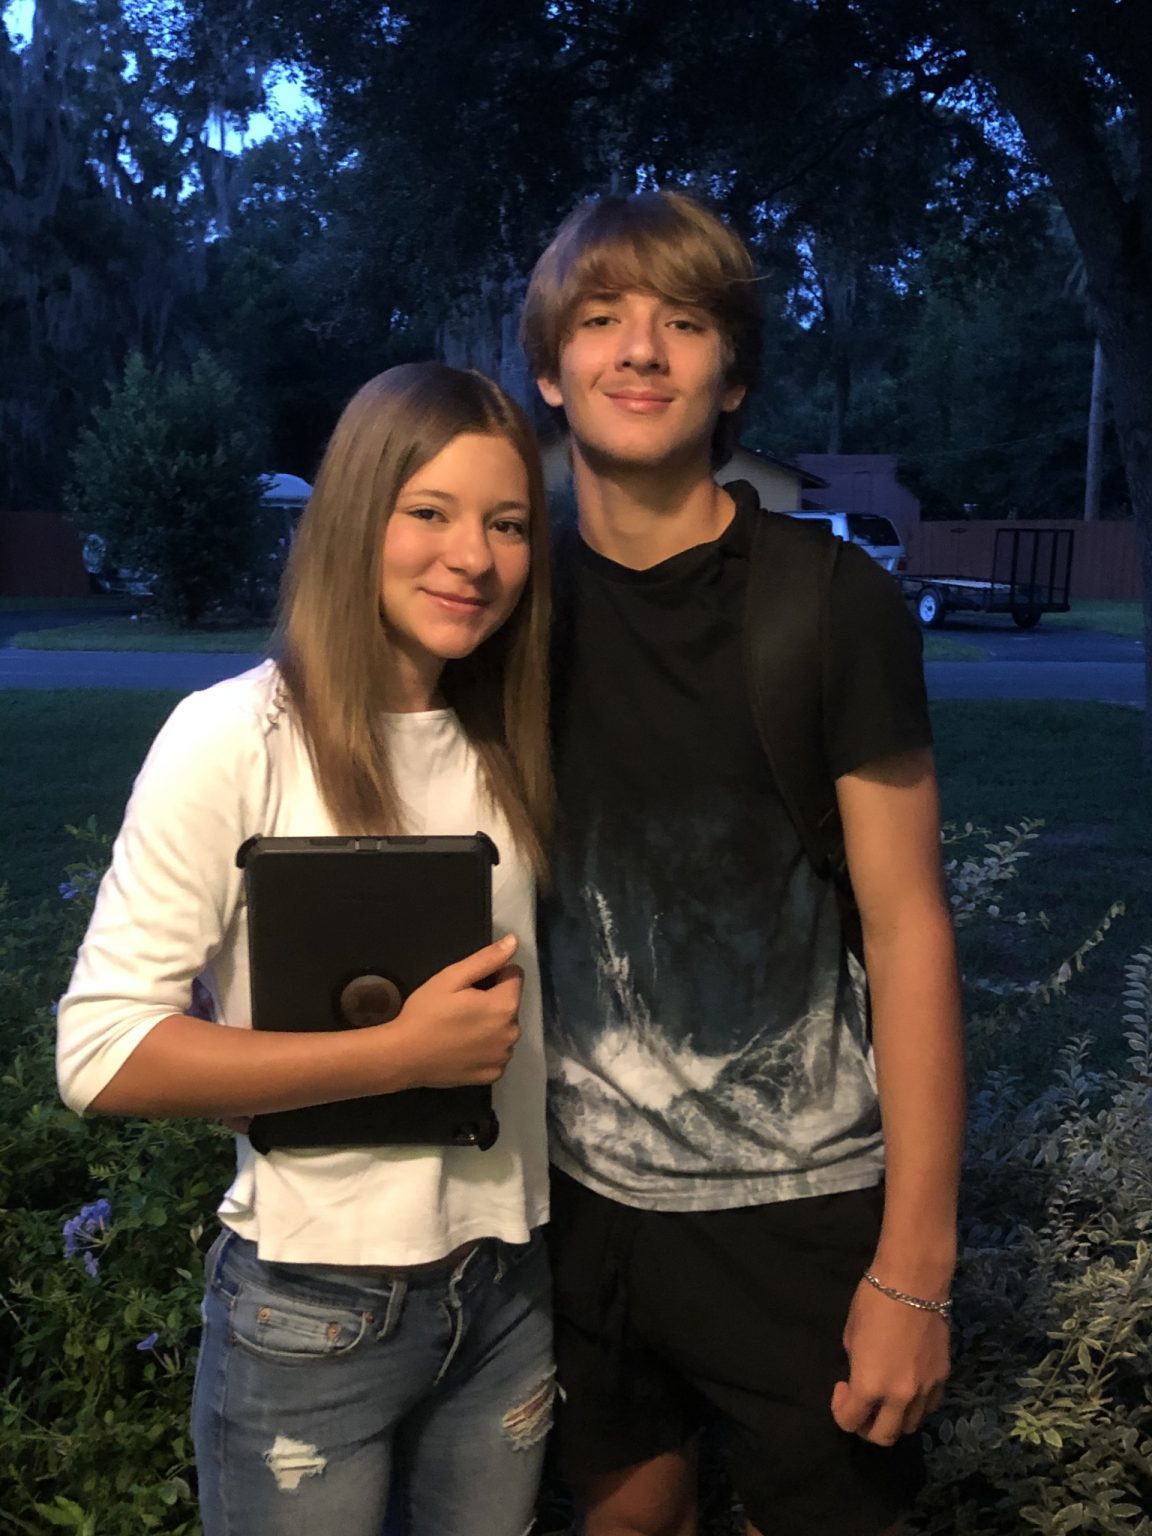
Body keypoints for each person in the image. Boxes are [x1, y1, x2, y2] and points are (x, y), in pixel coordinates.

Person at [520, 191, 965, 1536]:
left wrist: (915, 1270)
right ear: (552, 371)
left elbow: (910, 929)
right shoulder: (513, 610)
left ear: (734, 378)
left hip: (799, 1213)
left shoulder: (830, 606)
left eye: (684, 321)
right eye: (601, 318)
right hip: (579, 1204)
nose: (640, 348)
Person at [56, 362, 556, 1536]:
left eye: (507, 524)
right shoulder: (234, 736)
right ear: (354, 518)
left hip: (508, 1284)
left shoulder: (513, 738)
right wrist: (399, 1055)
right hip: (313, 1311)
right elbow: (101, 1052)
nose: (473, 557)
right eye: (428, 512)